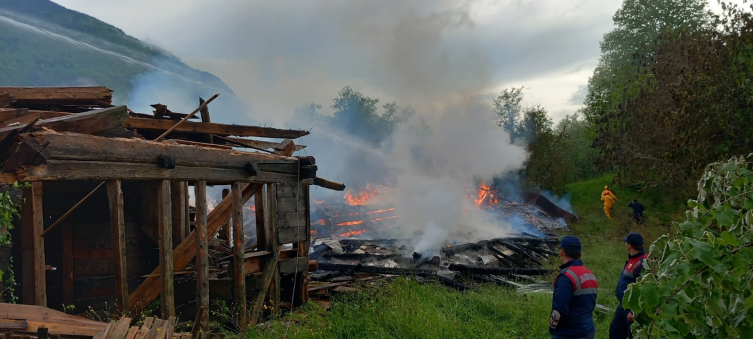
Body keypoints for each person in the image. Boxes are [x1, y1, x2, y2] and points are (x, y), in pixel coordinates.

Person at [550, 236, 599, 339]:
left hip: (569, 333)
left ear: (562, 252)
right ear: (580, 254)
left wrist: (553, 329)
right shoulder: (590, 274)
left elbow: (559, 309)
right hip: (588, 330)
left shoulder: (566, 276)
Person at [609, 233, 649, 339]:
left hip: (632, 308)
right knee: (615, 332)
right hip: (623, 305)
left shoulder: (642, 263)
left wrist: (633, 312)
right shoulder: (633, 258)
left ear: (629, 245)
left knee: (633, 335)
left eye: (626, 242)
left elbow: (643, 289)